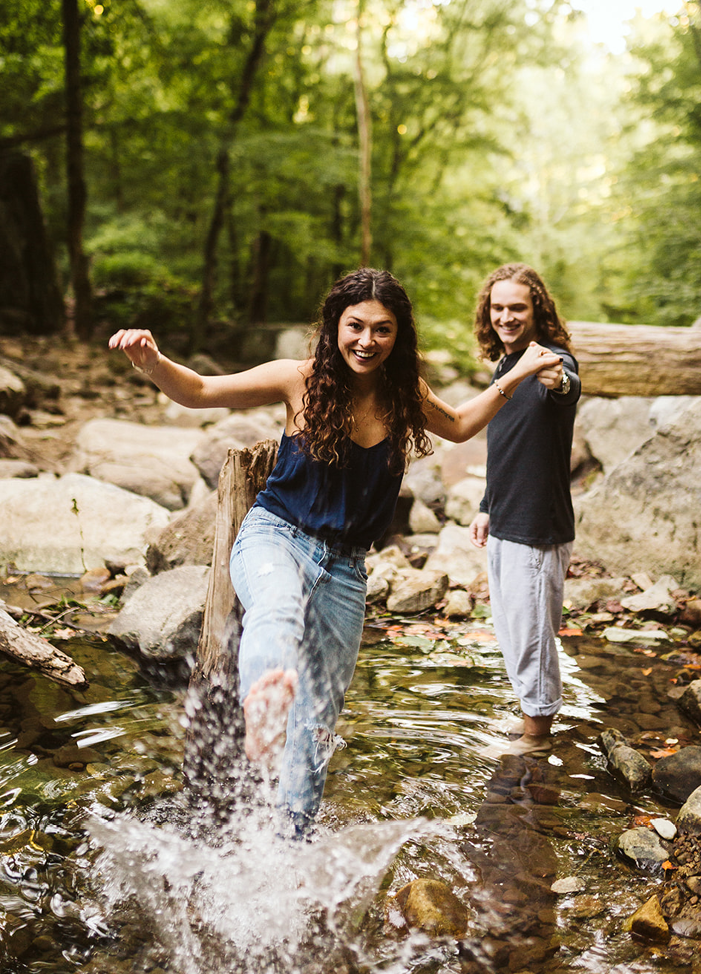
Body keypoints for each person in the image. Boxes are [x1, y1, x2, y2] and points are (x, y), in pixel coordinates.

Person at [109, 267, 566, 835]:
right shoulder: (297, 379)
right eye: (355, 326)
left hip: (346, 572)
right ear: (334, 326)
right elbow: (200, 391)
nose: (366, 341)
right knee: (274, 610)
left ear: (399, 337)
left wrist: (517, 373)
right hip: (275, 538)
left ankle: (291, 837)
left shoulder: (405, 392)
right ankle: (264, 701)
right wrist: (152, 363)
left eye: (382, 330)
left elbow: (462, 426)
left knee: (320, 720)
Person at [466, 263, 580, 756]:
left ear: (537, 310)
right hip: (506, 519)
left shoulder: (551, 360)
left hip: (538, 526)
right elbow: (504, 445)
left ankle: (537, 741)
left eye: (517, 307)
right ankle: (531, 720)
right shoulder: (505, 368)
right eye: (498, 308)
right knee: (513, 630)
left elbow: (566, 383)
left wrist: (553, 376)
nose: (506, 317)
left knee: (532, 635)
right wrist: (486, 505)